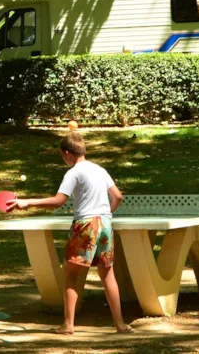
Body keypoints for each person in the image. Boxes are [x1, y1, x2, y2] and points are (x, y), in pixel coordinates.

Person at [8, 133, 132, 334]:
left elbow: (58, 201)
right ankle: (120, 324)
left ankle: (68, 325)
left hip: (85, 225)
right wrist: (107, 213)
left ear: (66, 153)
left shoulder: (74, 172)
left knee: (71, 274)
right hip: (106, 223)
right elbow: (117, 196)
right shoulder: (100, 170)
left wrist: (28, 202)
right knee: (108, 274)